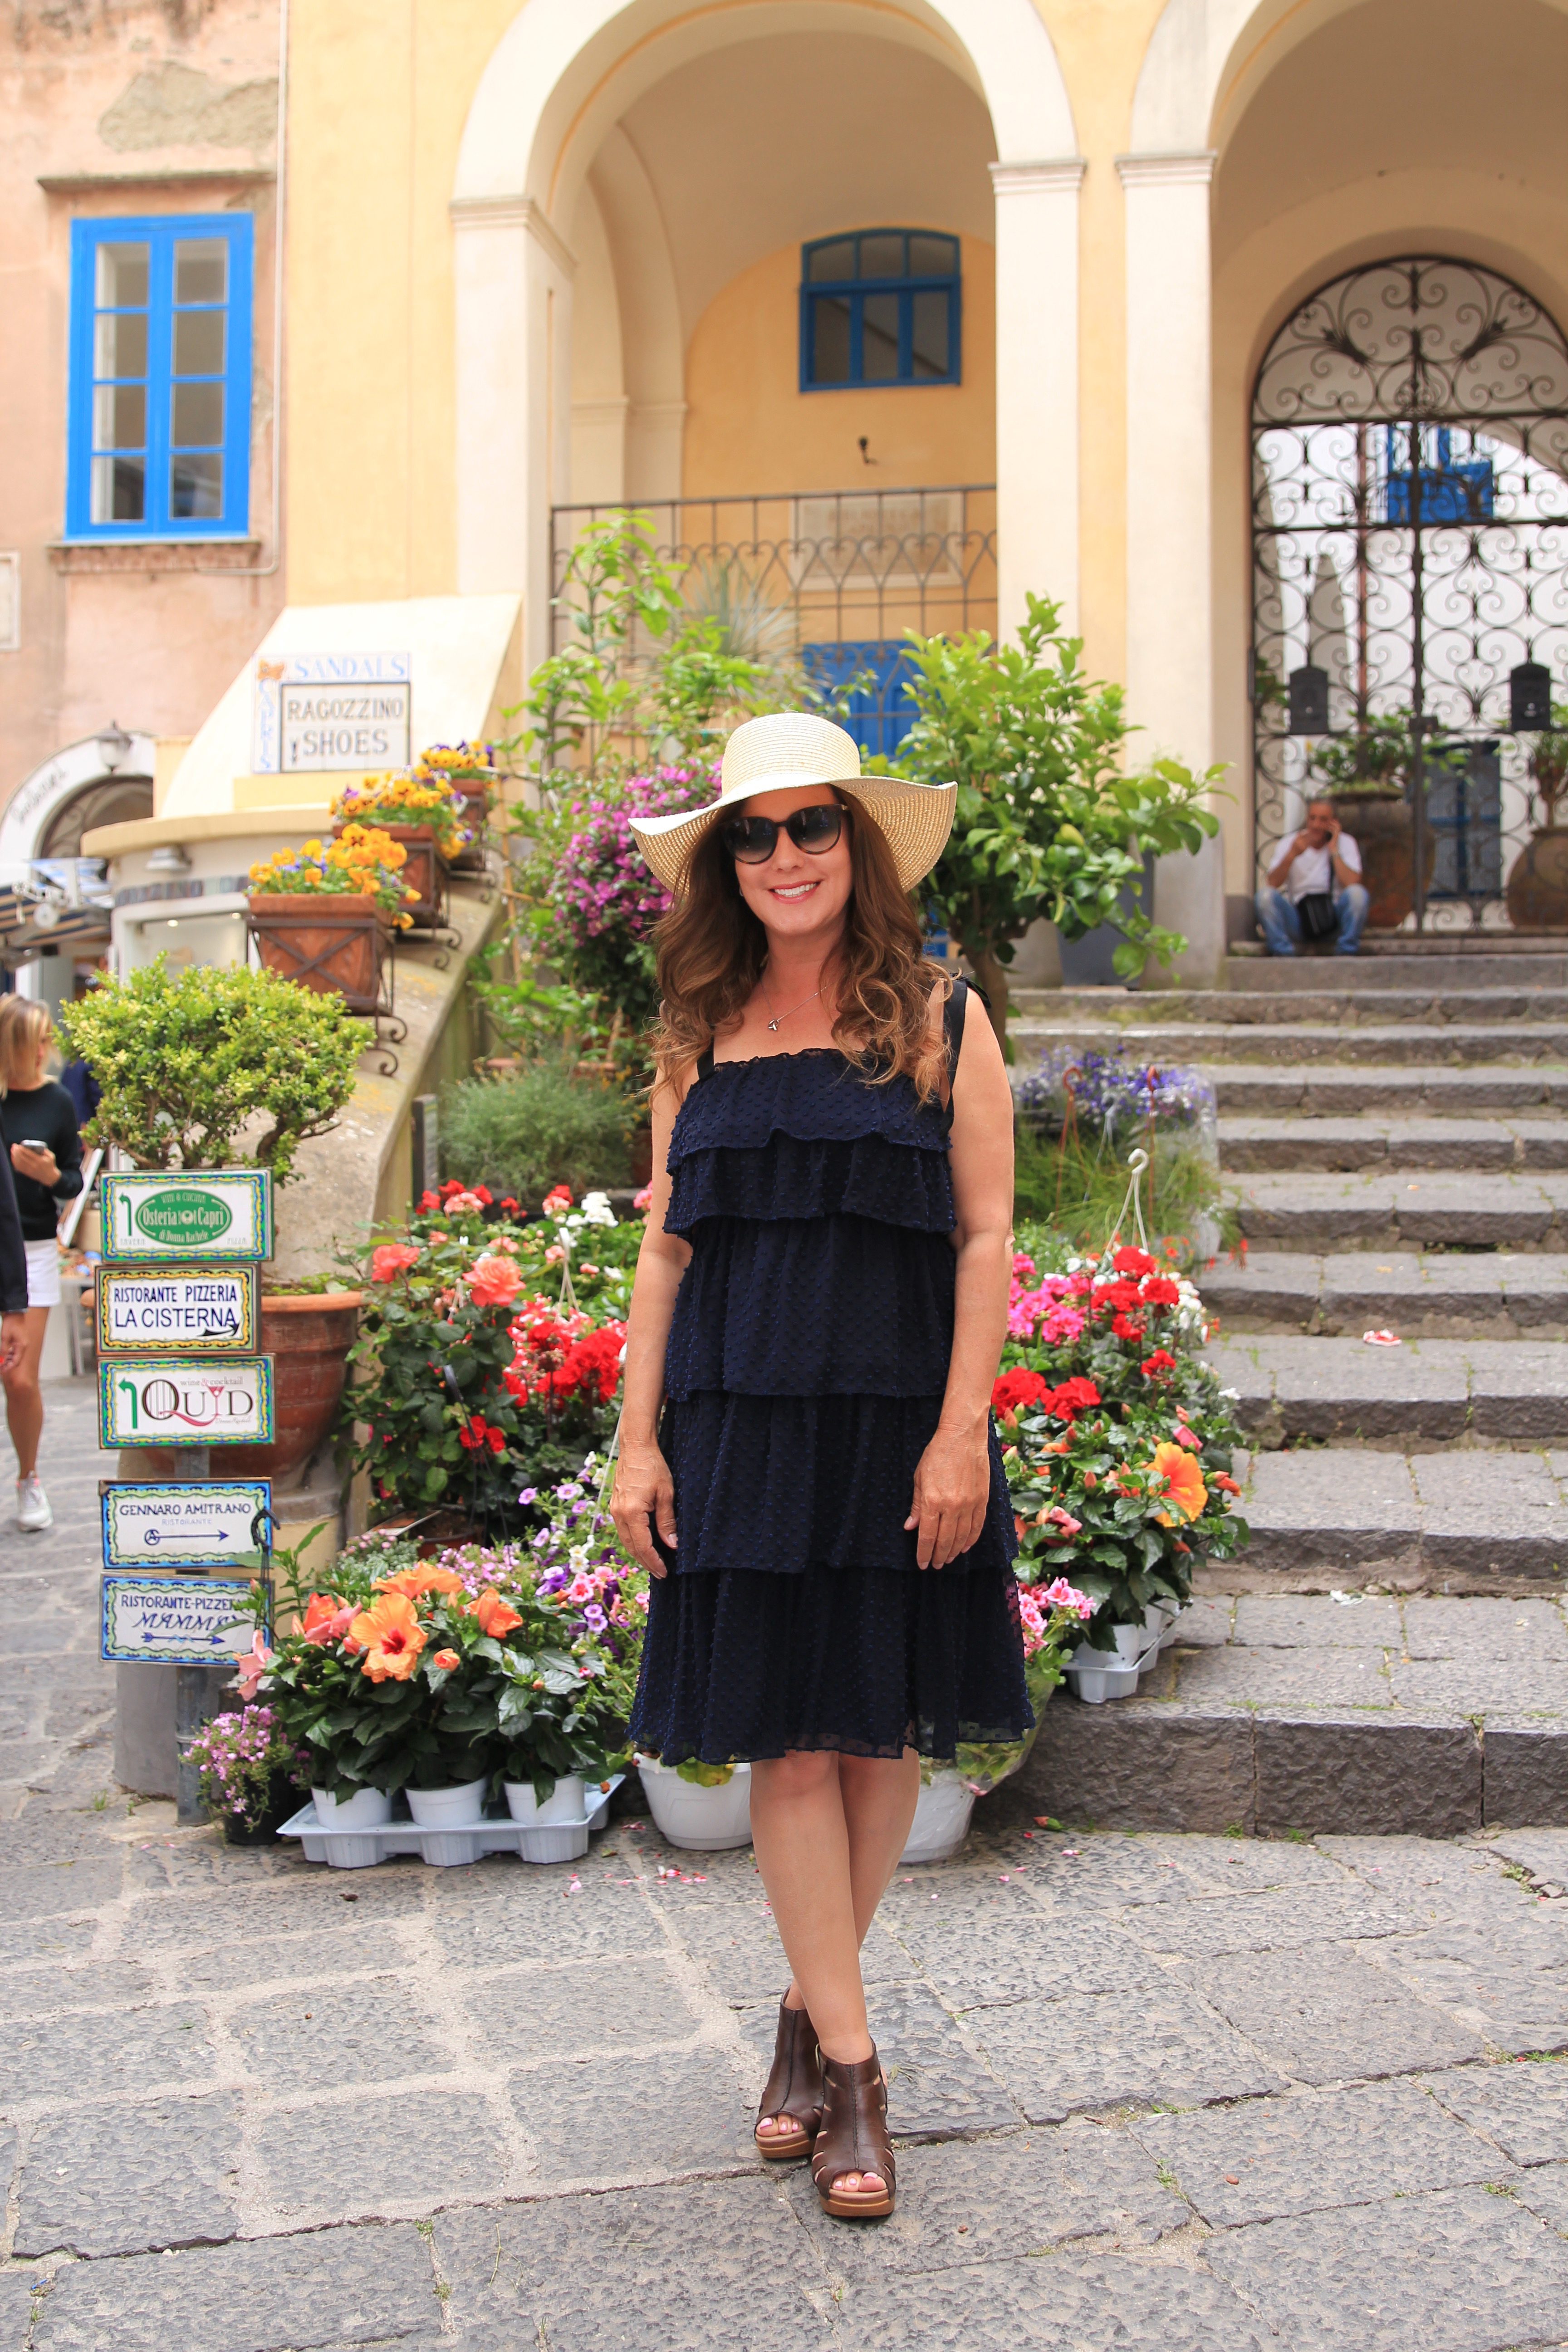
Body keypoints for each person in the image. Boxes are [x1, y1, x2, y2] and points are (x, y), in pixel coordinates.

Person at [612, 712, 1028, 2223]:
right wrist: (635, 1434)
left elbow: (984, 1230)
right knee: (789, 1738)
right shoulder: (698, 1029)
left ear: (855, 841)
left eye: (811, 825)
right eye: (753, 831)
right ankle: (852, 2069)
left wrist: (959, 1426)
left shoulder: (937, 1013)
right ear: (726, 861)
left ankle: (802, 2009)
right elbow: (666, 1248)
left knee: (875, 1722)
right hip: (737, 1418)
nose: (784, 855)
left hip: (894, 1418)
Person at [0, 999, 84, 1530]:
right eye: (37, 1038)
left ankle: (28, 1477)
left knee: (21, 1380)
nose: (45, 1047)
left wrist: (51, 1174)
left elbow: (74, 1180)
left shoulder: (55, 1101)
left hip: (30, 1248)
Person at [1256, 796, 1370, 955]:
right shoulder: (1290, 843)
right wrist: (1292, 855)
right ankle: (1284, 953)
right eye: (1312, 818)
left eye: (1323, 820)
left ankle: (1346, 951)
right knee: (1264, 897)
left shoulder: (1346, 843)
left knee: (1358, 894)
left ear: (1334, 823)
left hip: (1334, 918)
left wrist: (1334, 850)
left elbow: (1353, 883)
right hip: (1300, 919)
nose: (1316, 825)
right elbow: (1273, 883)